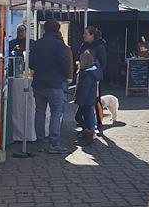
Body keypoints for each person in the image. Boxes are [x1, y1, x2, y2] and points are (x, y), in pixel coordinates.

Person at [29, 19, 71, 154]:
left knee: (39, 112)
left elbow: (31, 64)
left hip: (39, 82)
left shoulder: (36, 44)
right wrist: (63, 76)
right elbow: (65, 65)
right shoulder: (60, 45)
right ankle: (54, 143)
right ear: (57, 30)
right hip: (55, 83)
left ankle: (41, 142)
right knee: (56, 112)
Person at [79, 26, 108, 128]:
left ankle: (98, 124)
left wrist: (95, 74)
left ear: (92, 35)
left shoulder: (99, 46)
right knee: (85, 101)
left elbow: (103, 63)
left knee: (95, 101)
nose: (84, 35)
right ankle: (86, 125)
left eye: (86, 33)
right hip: (84, 76)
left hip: (94, 78)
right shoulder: (84, 45)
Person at [74, 50, 102, 147]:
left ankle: (88, 135)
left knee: (85, 118)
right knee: (85, 118)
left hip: (86, 101)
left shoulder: (87, 74)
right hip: (88, 100)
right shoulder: (90, 72)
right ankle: (88, 132)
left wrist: (79, 100)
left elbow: (84, 89)